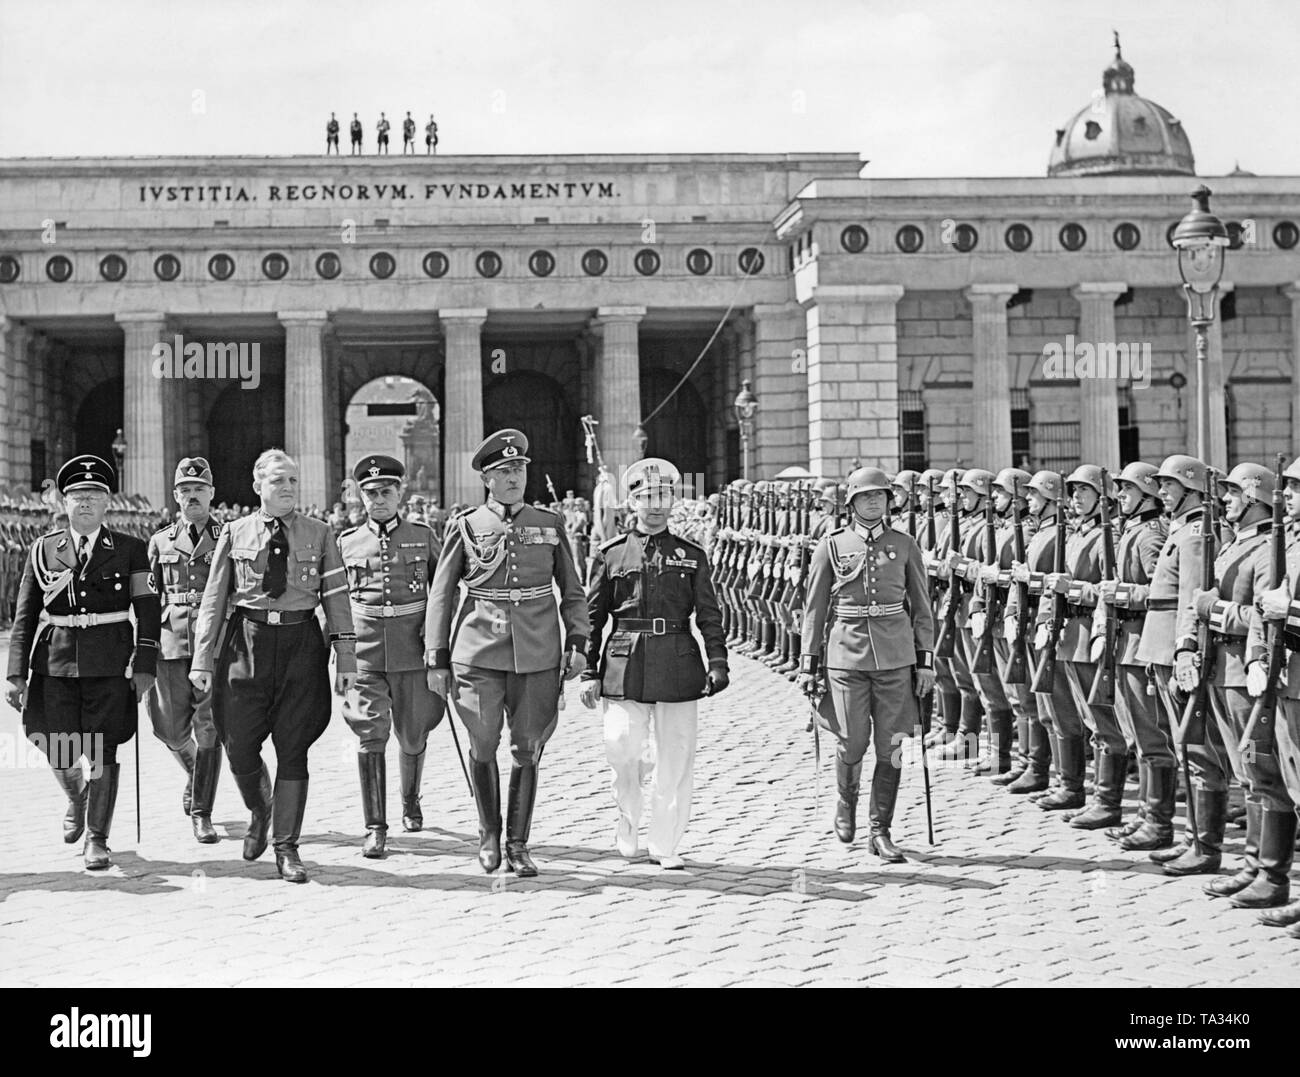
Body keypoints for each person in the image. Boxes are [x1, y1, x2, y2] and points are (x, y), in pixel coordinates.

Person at [425, 429, 590, 876]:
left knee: (528, 747)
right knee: (482, 743)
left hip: (537, 653)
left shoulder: (550, 523)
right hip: (477, 652)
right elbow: (442, 595)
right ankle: (489, 835)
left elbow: (572, 591)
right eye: (504, 471)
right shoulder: (466, 525)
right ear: (487, 479)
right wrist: (436, 657)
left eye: (518, 469)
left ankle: (518, 843)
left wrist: (578, 641)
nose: (514, 478)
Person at [190, 450, 357, 883]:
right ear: (257, 485)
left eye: (293, 481)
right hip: (247, 643)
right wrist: (202, 660)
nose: (287, 488)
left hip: (301, 645)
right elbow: (213, 601)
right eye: (278, 481)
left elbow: (337, 600)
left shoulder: (321, 534)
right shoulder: (234, 532)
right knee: (239, 745)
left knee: (293, 747)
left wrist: (346, 660)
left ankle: (287, 847)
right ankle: (260, 807)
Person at [5, 455, 160, 869]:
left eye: (93, 496)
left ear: (107, 502)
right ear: (65, 502)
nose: (85, 503)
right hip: (55, 661)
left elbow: (147, 608)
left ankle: (97, 838)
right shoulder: (44, 549)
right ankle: (77, 795)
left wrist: (145, 664)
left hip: (110, 661)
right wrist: (15, 674)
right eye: (77, 496)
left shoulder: (130, 549)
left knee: (102, 750)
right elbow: (24, 615)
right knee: (53, 744)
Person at [581, 458, 729, 869]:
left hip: (679, 662)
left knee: (676, 760)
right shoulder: (611, 554)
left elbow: (709, 613)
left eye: (663, 496)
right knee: (622, 746)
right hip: (624, 662)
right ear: (632, 502)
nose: (655, 505)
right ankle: (627, 818)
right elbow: (594, 617)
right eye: (646, 498)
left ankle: (665, 844)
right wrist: (589, 671)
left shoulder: (691, 554)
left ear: (673, 501)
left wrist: (717, 660)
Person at [798, 466, 935, 862]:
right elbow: (815, 607)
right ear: (852, 501)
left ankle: (881, 830)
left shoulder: (905, 544)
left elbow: (922, 607)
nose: (874, 502)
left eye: (881, 496)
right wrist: (809, 663)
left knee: (891, 746)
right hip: (846, 654)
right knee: (852, 740)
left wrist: (925, 661)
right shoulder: (832, 545)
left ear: (890, 501)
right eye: (866, 496)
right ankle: (846, 801)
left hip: (895, 657)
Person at [338, 455, 444, 858]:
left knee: (413, 734)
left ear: (400, 493)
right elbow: (334, 601)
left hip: (412, 650)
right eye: (370, 493)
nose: (378, 499)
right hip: (366, 651)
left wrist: (439, 646)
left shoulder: (422, 535)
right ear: (359, 497)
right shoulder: (346, 542)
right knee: (370, 734)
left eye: (386, 492)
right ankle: (375, 827)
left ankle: (410, 798)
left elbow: (442, 593)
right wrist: (341, 651)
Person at [146, 457, 224, 843]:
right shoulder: (159, 541)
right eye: (185, 491)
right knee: (169, 728)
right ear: (175, 496)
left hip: (213, 644)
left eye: (199, 490)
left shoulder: (228, 536)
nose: (192, 496)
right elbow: (148, 598)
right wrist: (140, 647)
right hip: (171, 641)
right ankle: (196, 772)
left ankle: (202, 809)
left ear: (211, 494)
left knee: (209, 728)